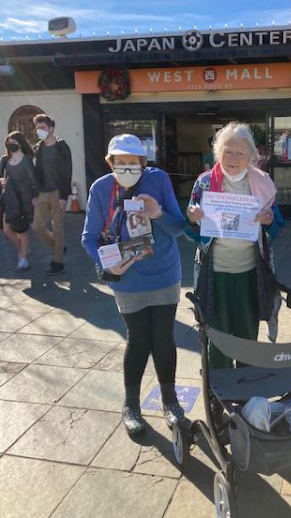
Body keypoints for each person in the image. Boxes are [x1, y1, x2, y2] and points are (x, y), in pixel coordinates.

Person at [82, 134, 186, 436]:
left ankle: (170, 402)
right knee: (139, 338)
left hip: (165, 272)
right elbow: (88, 237)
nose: (127, 166)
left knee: (164, 337)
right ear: (110, 163)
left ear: (143, 162)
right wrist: (105, 262)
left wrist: (158, 213)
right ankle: (131, 405)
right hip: (127, 278)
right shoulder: (101, 188)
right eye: (120, 161)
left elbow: (179, 228)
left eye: (133, 161)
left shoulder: (159, 179)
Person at [186, 122, 284, 369]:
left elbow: (277, 223)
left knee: (246, 337)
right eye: (228, 151)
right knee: (217, 336)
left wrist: (269, 219)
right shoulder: (204, 183)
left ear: (251, 156)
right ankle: (218, 393)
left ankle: (245, 391)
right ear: (218, 153)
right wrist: (192, 218)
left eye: (240, 153)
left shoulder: (261, 182)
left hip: (249, 273)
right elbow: (191, 230)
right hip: (214, 273)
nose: (233, 158)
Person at [32, 113, 72, 275]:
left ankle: (58, 262)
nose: (39, 131)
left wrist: (64, 196)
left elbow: (67, 171)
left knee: (57, 229)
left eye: (42, 128)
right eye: (37, 128)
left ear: (51, 128)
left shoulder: (62, 146)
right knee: (37, 226)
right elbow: (37, 172)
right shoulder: (39, 147)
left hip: (57, 193)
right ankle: (59, 248)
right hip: (42, 192)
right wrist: (35, 193)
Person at [0, 132, 38, 271]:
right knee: (6, 229)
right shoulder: (4, 160)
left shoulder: (26, 160)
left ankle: (23, 260)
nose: (11, 145)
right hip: (9, 199)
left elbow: (34, 180)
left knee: (22, 231)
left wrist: (35, 197)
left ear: (20, 143)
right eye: (9, 142)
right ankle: (23, 250)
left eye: (14, 142)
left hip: (24, 199)